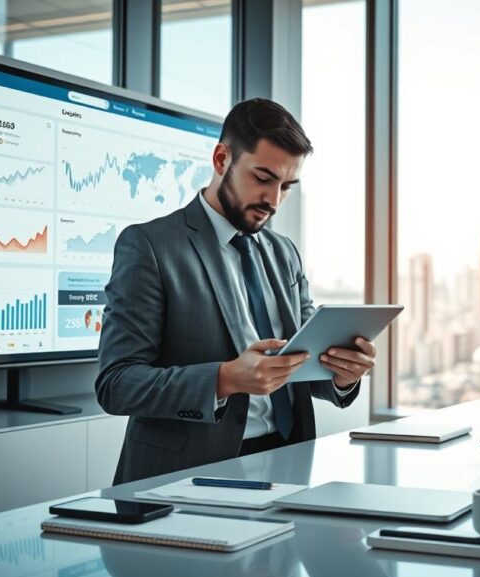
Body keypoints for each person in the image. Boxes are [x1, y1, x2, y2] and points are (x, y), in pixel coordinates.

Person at [96, 98, 375, 485]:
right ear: (222, 158)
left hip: (287, 465)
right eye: (262, 178)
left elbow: (305, 364)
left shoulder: (284, 253)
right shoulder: (150, 246)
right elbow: (116, 383)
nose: (273, 201)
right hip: (186, 477)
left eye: (287, 187)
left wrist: (343, 375)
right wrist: (225, 379)